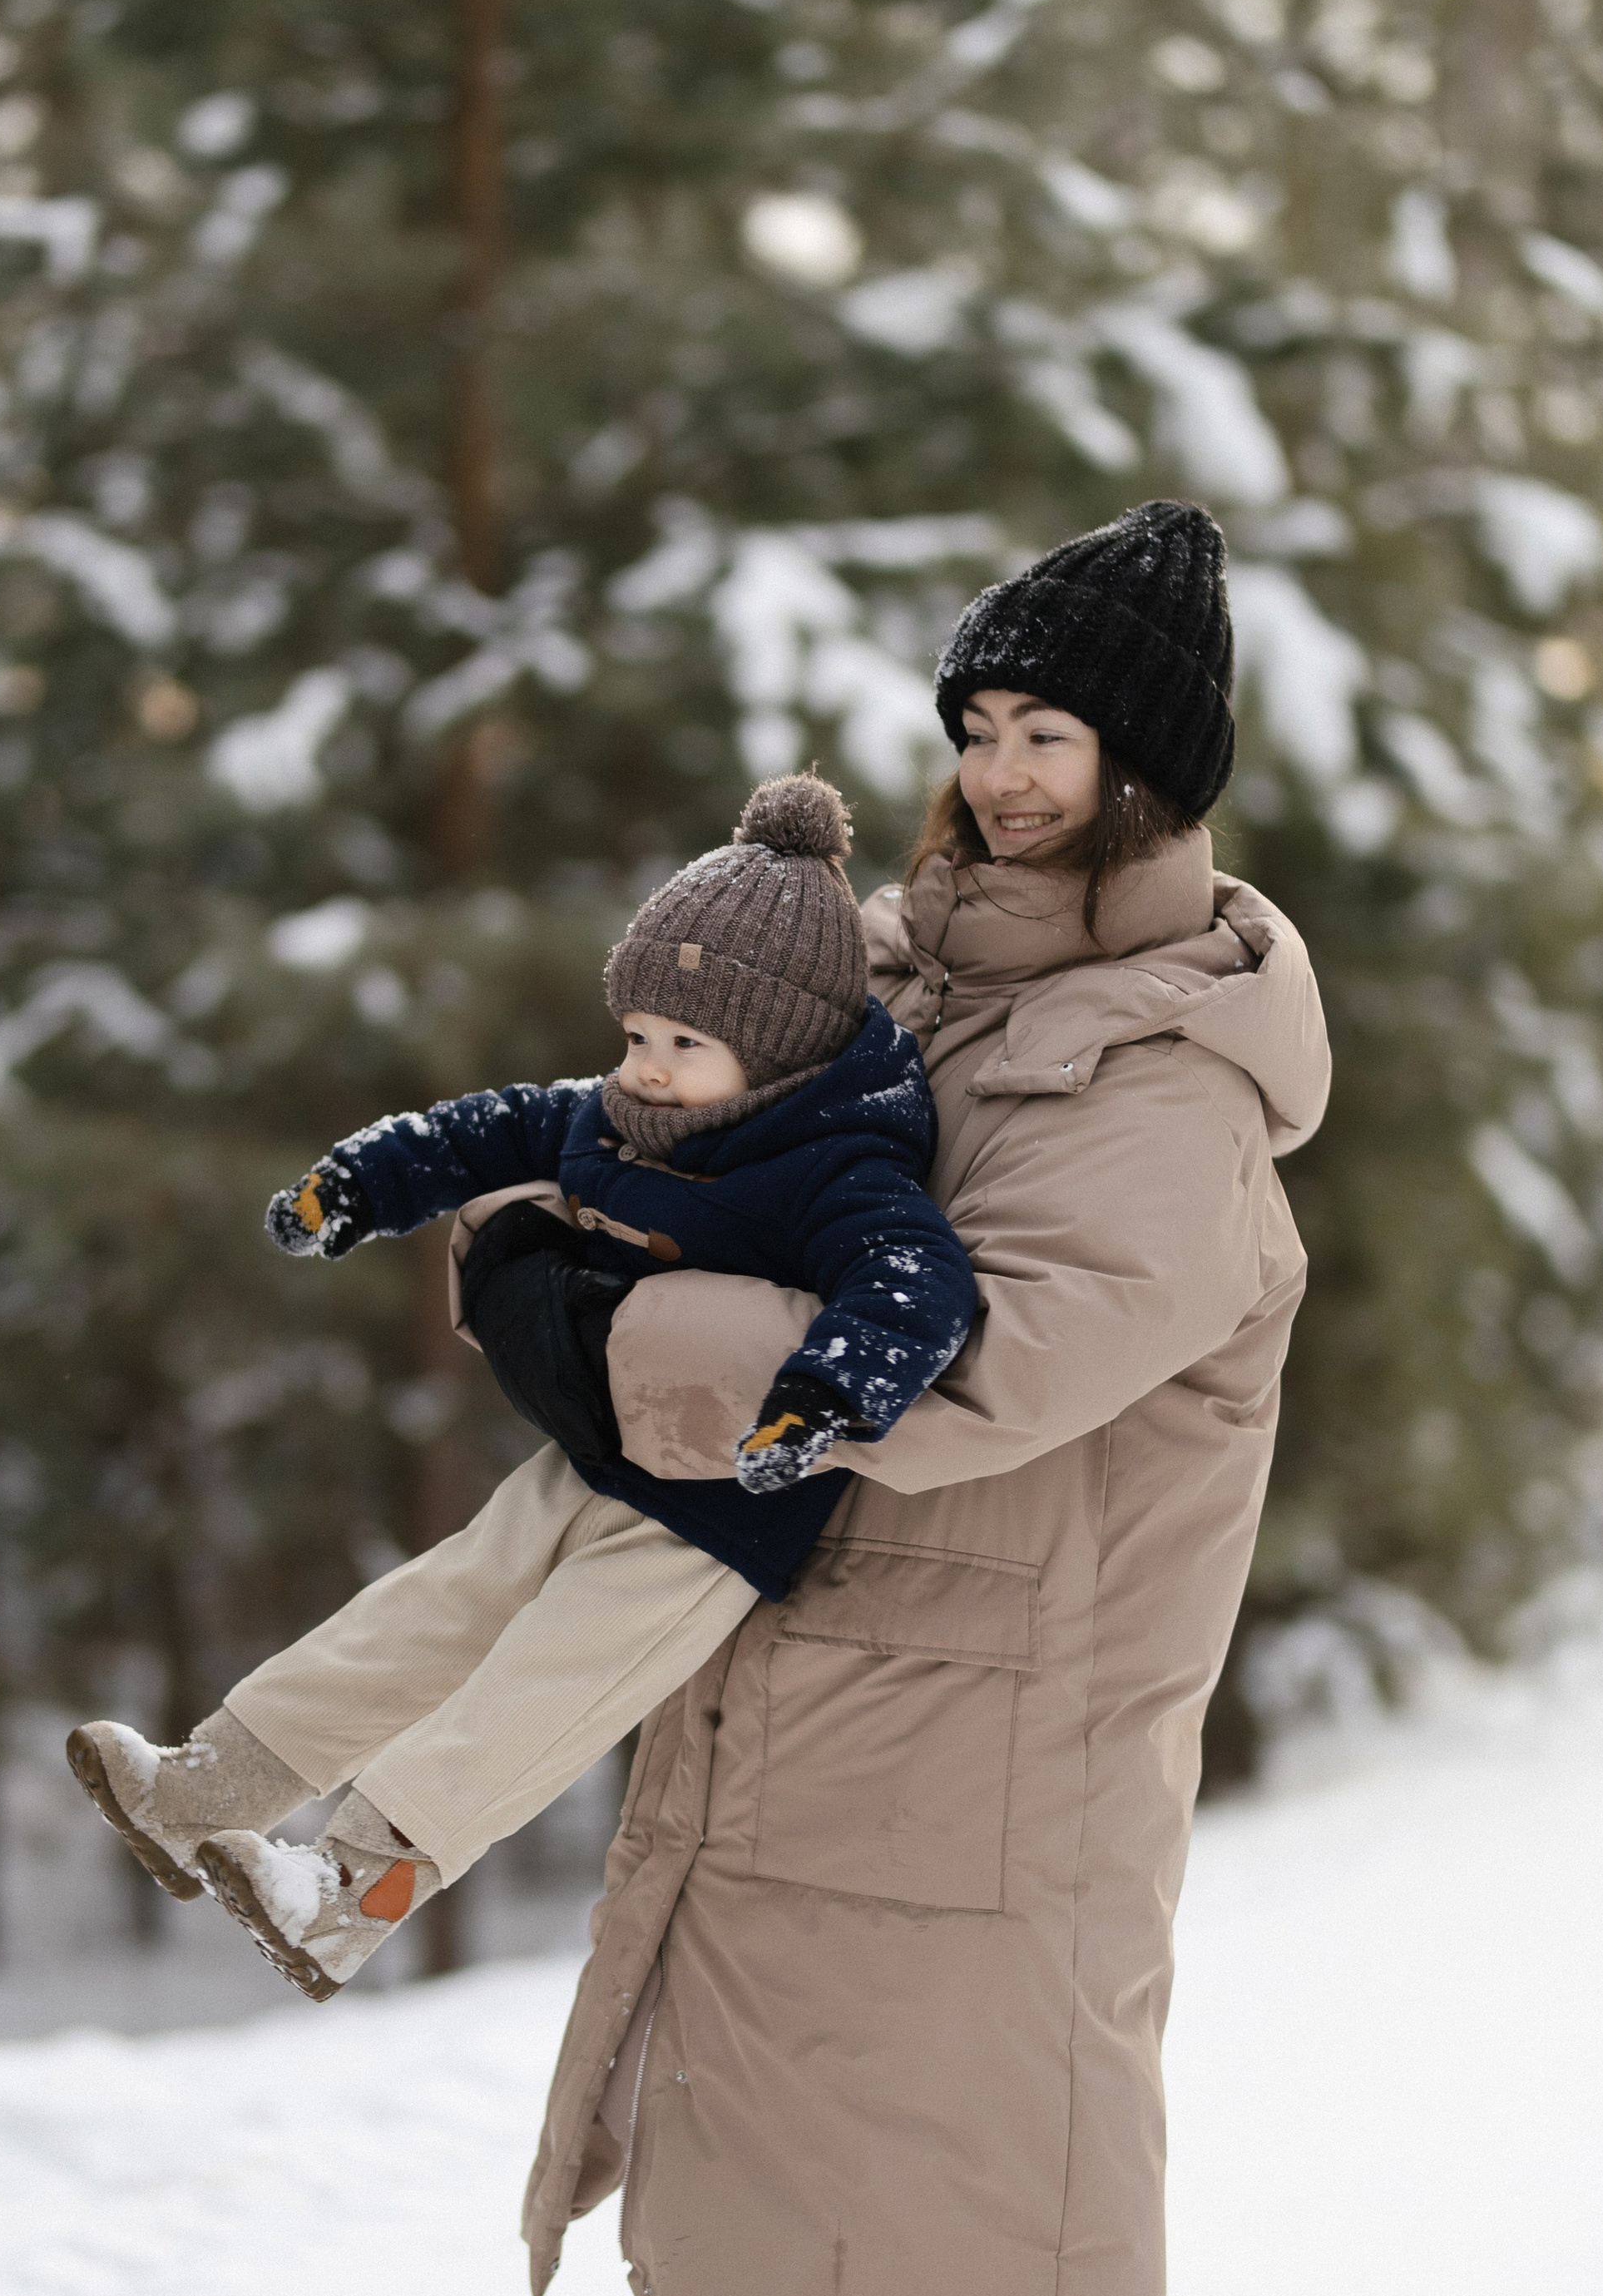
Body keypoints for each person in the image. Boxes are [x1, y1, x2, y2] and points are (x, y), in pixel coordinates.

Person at [470, 500, 1330, 2296]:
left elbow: (985, 1363)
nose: (1011, 763)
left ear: (1152, 768)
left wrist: (650, 1339)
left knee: (1040, 2111)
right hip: (820, 1620)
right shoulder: (917, 984)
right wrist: (568, 1220)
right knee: (736, 2073)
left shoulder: (1167, 1080)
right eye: (983, 722)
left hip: (1037, 1681)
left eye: (1055, 728)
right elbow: (725, 1133)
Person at [66, 774, 977, 2001]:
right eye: (637, 1036)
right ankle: (205, 1792)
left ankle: (347, 1893)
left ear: (782, 1053)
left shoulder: (837, 1166)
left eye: (685, 1047)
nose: (646, 1071)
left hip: (716, 1512)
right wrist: (361, 1187)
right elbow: (479, 1130)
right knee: (436, 1606)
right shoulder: (619, 1115)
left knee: (542, 1685)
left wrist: (825, 1396)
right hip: (597, 1449)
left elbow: (916, 1279)